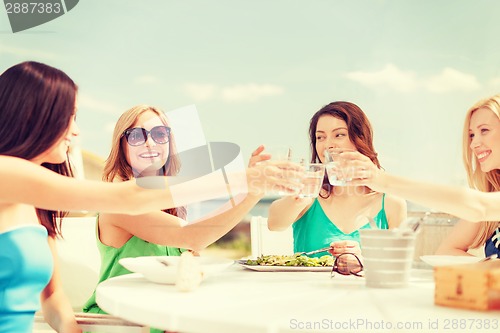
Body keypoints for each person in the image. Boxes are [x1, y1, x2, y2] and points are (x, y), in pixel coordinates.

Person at [0, 61, 301, 333]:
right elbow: (131, 198)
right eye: (69, 117)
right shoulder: (5, 173)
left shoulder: (39, 206)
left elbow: (52, 298)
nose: (77, 131)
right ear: (34, 116)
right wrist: (244, 181)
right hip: (122, 322)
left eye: (160, 135)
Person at [82, 106, 289, 322]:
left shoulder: (167, 200)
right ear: (121, 145)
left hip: (161, 315)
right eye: (136, 135)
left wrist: (251, 191)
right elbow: (193, 237)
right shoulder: (119, 201)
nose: (151, 143)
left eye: (160, 134)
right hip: (120, 321)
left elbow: (196, 235)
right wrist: (250, 186)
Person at [343, 93, 500, 258]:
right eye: (472, 135)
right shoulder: (490, 198)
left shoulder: (483, 207)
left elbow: (477, 206)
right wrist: (492, 268)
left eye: (484, 130)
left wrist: (381, 180)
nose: (474, 143)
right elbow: (446, 252)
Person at [267, 101, 407, 258]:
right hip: (308, 283)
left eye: (339, 135)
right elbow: (275, 224)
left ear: (360, 138)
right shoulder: (310, 196)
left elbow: (398, 264)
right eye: (320, 137)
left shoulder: (392, 204)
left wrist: (362, 261)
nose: (327, 145)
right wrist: (299, 198)